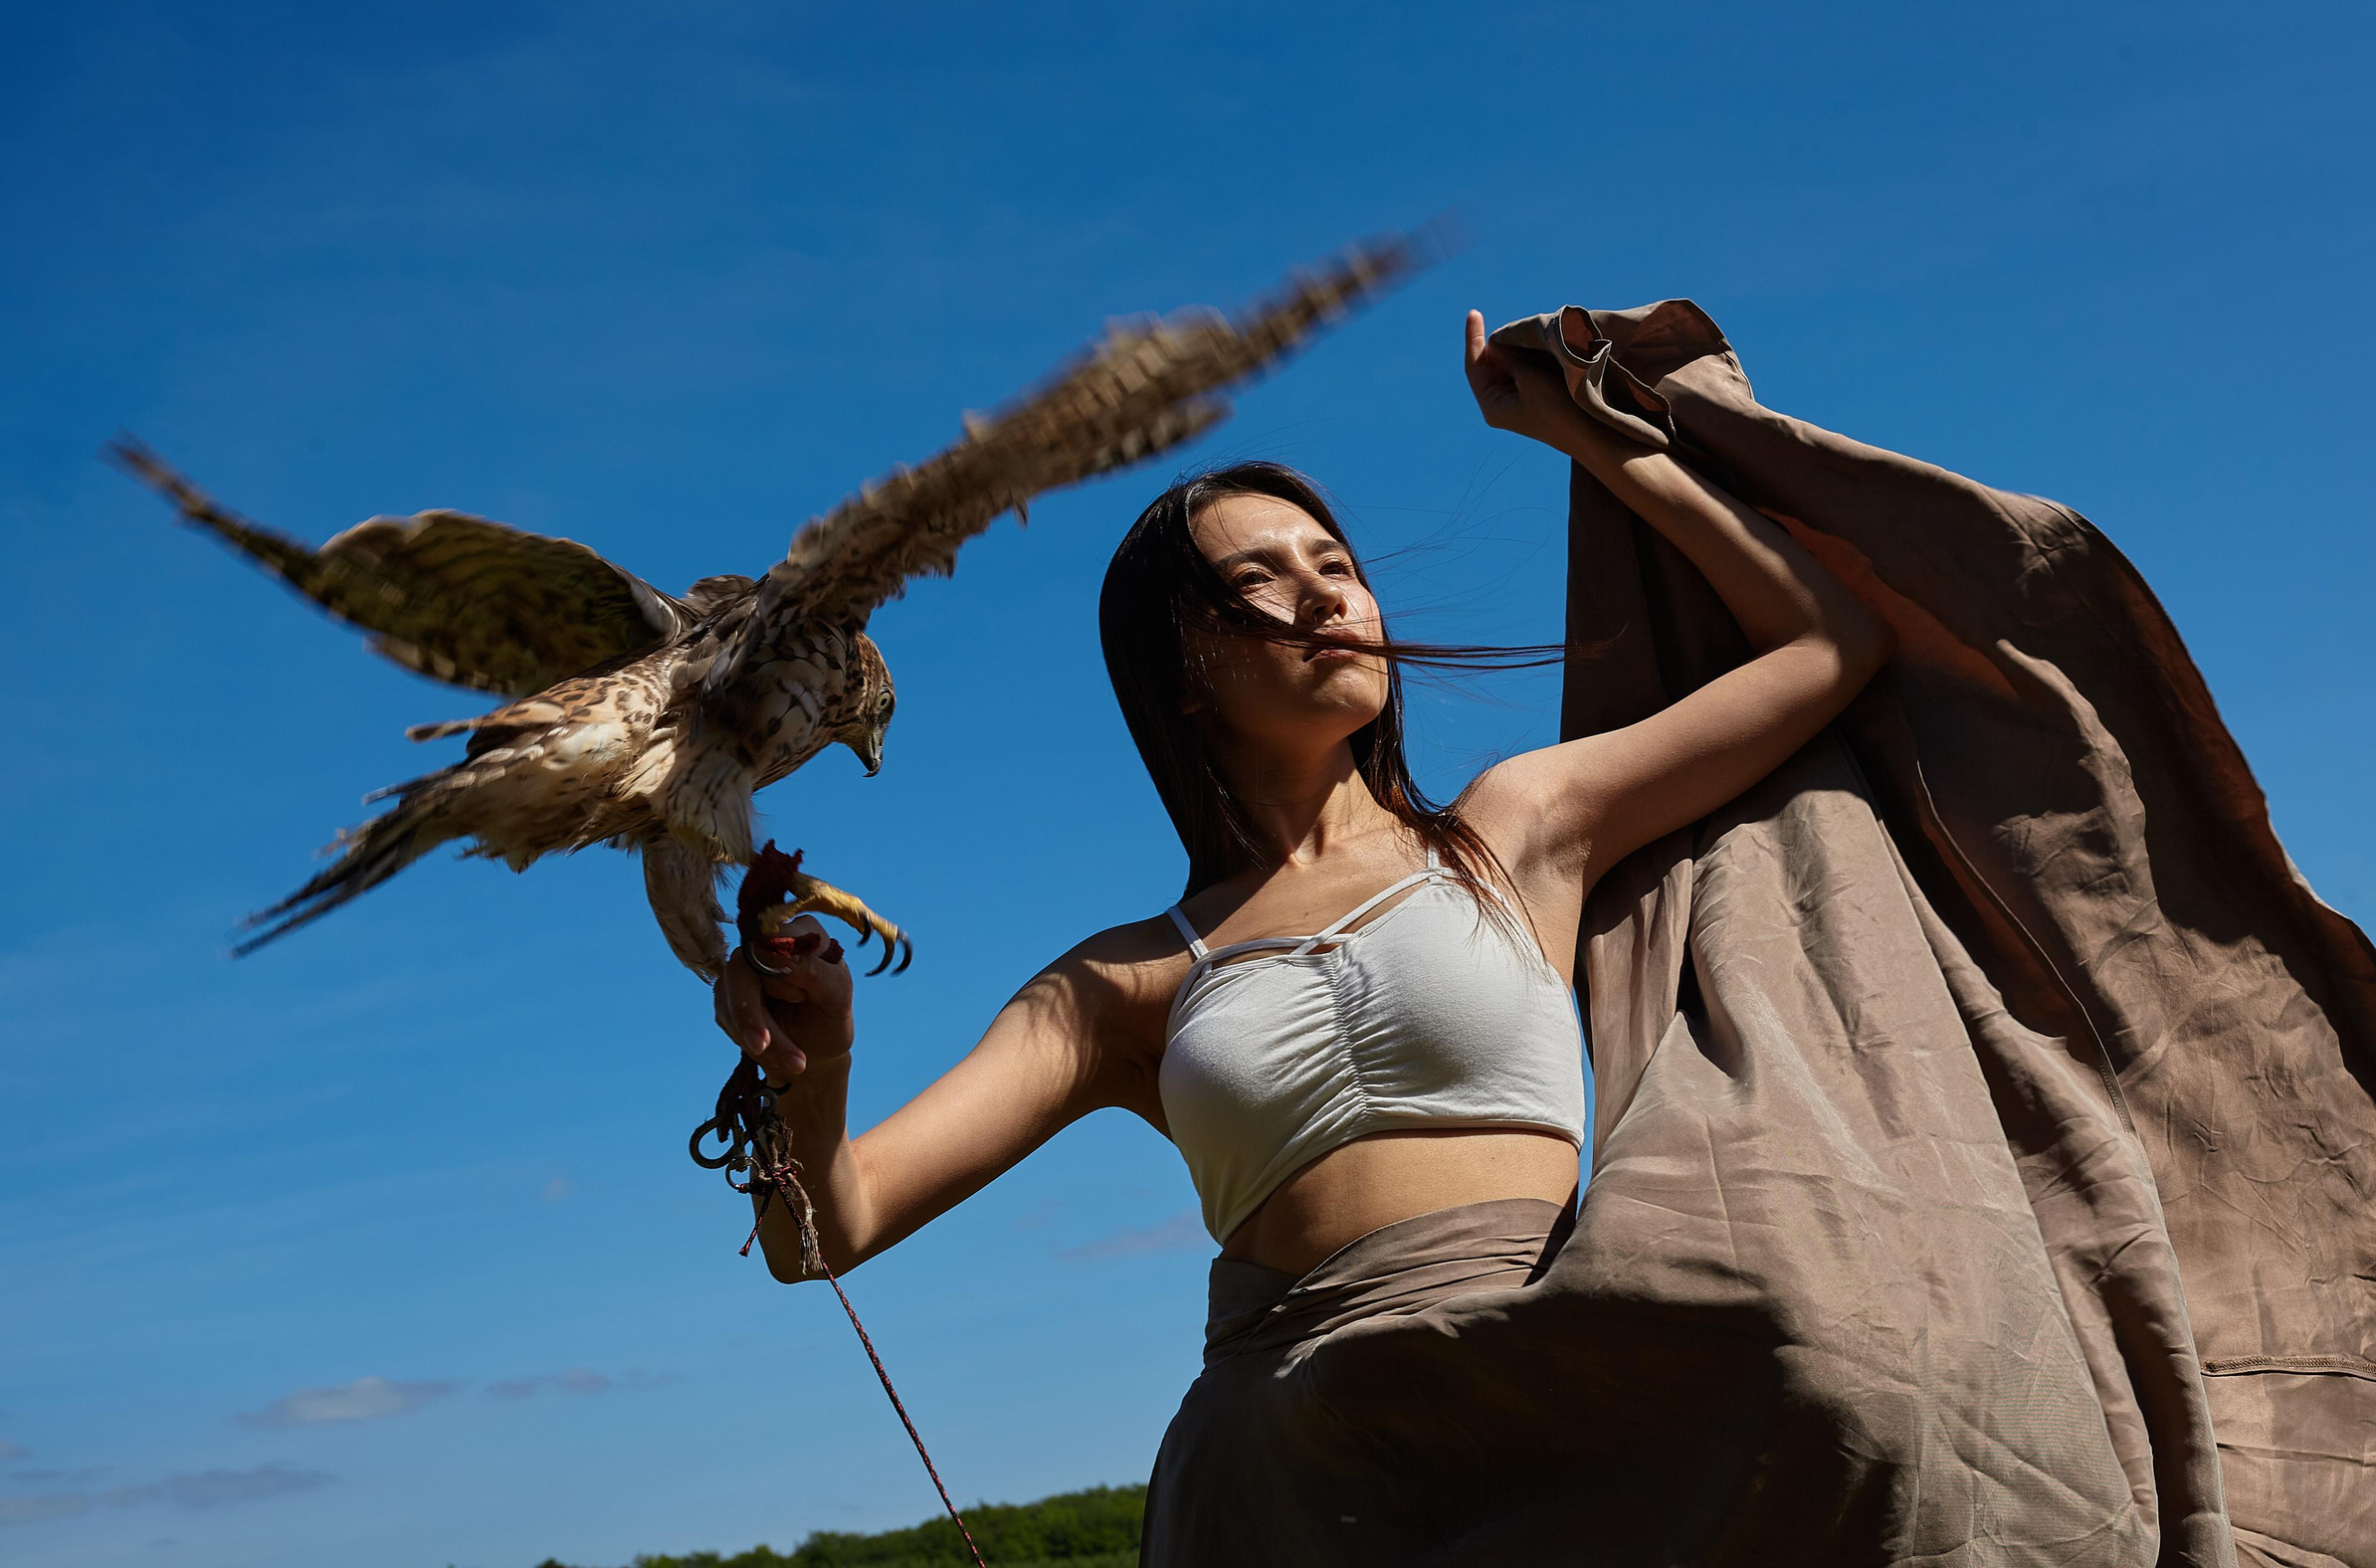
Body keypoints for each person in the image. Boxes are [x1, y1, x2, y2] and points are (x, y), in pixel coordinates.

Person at [708, 310, 1894, 1555]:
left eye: (1334, 563)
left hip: (1549, 1419)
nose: (1320, 594)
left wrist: (1586, 442)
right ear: (1182, 673)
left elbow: (1828, 641)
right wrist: (821, 1061)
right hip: (1273, 1479)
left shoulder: (1518, 826)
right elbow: (820, 1231)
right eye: (1255, 585)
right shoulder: (1121, 981)